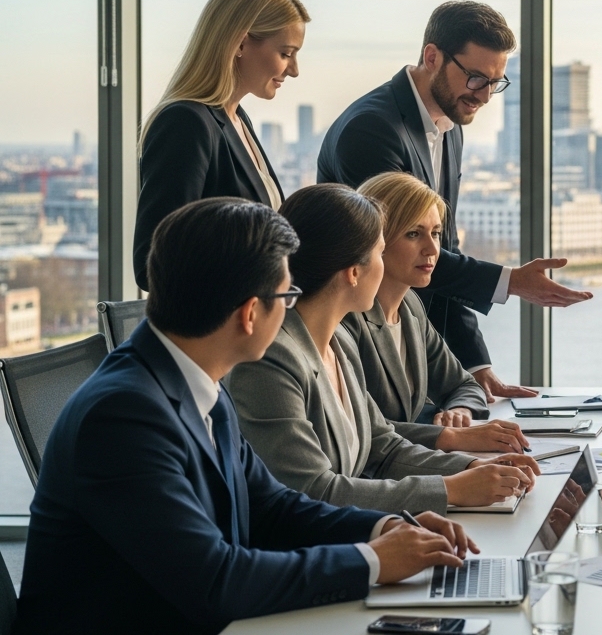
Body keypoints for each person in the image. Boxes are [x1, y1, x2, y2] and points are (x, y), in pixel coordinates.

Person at [16, 198, 475, 635]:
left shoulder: (196, 382)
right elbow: (216, 582)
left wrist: (386, 528)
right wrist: (372, 561)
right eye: (287, 295)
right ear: (251, 314)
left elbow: (273, 506)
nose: (291, 309)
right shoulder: (122, 418)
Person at [319, 0, 590, 401]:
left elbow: (443, 250)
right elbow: (400, 248)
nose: (484, 96)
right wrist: (510, 281)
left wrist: (476, 365)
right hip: (362, 345)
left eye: (496, 82)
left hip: (412, 338)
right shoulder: (372, 130)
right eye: (476, 78)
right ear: (432, 57)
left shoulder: (449, 127)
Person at [226, 184, 539, 515]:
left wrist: (468, 468)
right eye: (379, 252)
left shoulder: (339, 343)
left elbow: (383, 446)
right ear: (354, 272)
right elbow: (313, 490)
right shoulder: (270, 361)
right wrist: (451, 488)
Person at [134, 0, 306, 291]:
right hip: (220, 332)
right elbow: (152, 262)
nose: (294, 70)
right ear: (240, 43)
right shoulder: (185, 123)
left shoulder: (237, 119)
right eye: (286, 53)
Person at [344, 172, 495, 445]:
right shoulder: (346, 319)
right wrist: (445, 437)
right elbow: (360, 428)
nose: (432, 249)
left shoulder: (411, 306)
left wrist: (460, 410)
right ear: (376, 239)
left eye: (436, 234)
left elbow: (463, 384)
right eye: (414, 234)